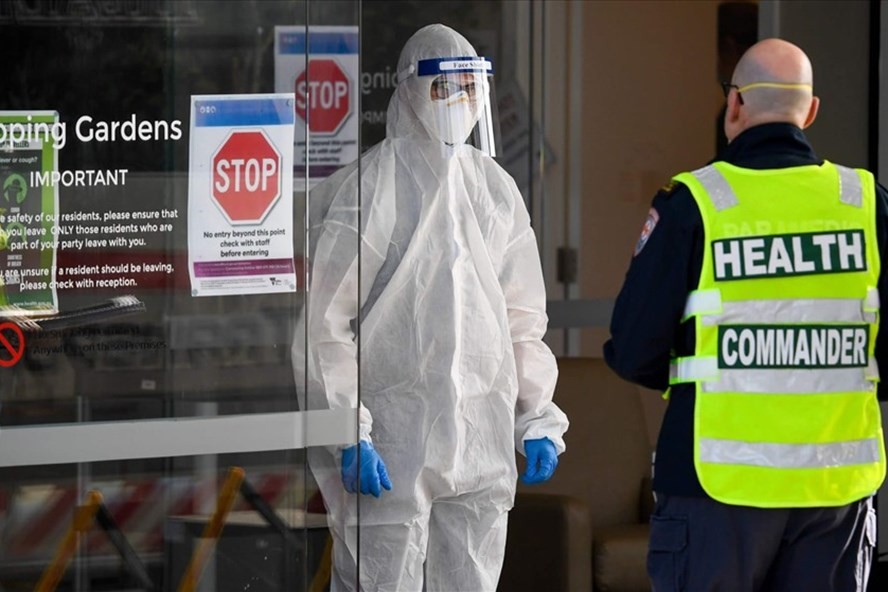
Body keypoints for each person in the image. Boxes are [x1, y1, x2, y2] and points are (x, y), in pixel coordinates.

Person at [292, 24, 568, 592]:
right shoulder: (374, 187)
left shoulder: (493, 188)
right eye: (446, 88)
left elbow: (523, 321)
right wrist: (348, 427)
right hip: (392, 441)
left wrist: (535, 414)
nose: (460, 102)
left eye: (470, 87)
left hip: (481, 437)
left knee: (471, 577)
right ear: (411, 91)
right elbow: (324, 326)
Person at [605, 38, 886, 591]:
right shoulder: (865, 201)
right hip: (834, 492)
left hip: (717, 490)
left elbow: (634, 346)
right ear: (810, 111)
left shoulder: (694, 202)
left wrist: (703, 375)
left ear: (733, 105)